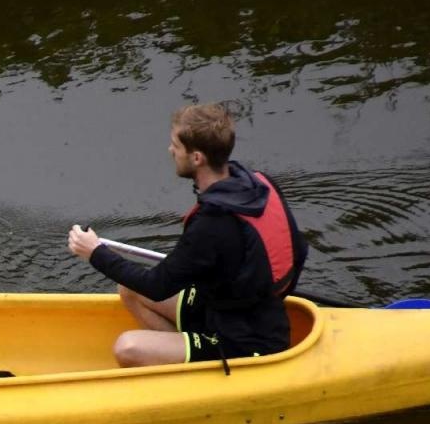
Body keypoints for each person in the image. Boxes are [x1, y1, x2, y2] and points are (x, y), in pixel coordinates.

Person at [67, 103, 308, 369]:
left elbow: (156, 286)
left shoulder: (212, 225)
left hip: (242, 342)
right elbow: (299, 251)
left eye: (176, 146)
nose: (170, 151)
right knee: (129, 290)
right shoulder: (259, 183)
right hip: (224, 310)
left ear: (196, 158)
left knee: (128, 348)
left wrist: (95, 253)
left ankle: (196, 373)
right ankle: (183, 359)